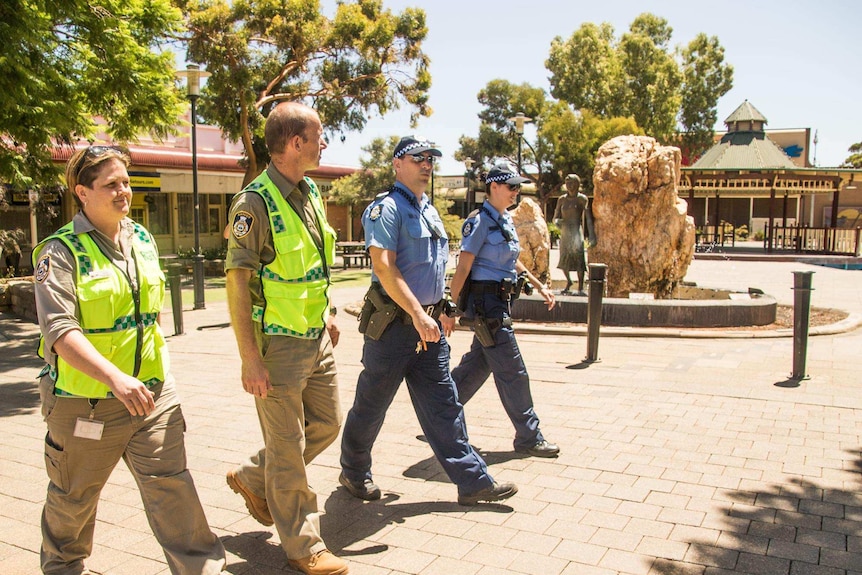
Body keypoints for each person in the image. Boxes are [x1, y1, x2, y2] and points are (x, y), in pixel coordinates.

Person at [32, 146, 226, 574]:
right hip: (87, 402)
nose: (123, 191)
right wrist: (117, 378)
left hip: (153, 394)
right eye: (110, 185)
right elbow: (60, 332)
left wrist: (148, 370)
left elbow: (148, 311)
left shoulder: (140, 236)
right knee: (73, 500)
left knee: (174, 489)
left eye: (126, 182)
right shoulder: (58, 252)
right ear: (82, 192)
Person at [339, 136, 518, 507]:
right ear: (397, 164)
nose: (425, 165)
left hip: (429, 329)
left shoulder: (430, 211)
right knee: (372, 406)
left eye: (430, 159)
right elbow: (384, 268)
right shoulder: (384, 210)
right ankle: (354, 472)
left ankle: (473, 482)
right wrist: (419, 313)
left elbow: (435, 270)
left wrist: (447, 305)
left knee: (445, 405)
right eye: (417, 158)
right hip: (393, 329)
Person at [224, 102, 347, 575]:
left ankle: (253, 478)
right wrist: (249, 358)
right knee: (289, 446)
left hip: (316, 336)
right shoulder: (253, 203)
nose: (323, 144)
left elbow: (314, 263)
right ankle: (302, 545)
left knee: (327, 424)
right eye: (319, 136)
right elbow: (236, 278)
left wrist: (330, 311)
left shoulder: (309, 190)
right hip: (275, 345)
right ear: (296, 142)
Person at [449, 163, 561, 458]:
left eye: (518, 188)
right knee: (513, 371)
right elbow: (463, 267)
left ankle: (440, 414)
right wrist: (451, 308)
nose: (515, 192)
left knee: (478, 364)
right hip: (488, 306)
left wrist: (539, 285)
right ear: (494, 187)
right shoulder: (479, 222)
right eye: (511, 186)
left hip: (500, 301)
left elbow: (512, 260)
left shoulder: (504, 219)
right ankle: (528, 436)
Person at [553, 173, 596, 295]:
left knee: (579, 259)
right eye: (567, 183)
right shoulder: (561, 199)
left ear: (577, 184)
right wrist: (557, 222)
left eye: (571, 183)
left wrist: (591, 236)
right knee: (564, 259)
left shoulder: (582, 199)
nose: (569, 186)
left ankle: (581, 287)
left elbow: (588, 218)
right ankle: (569, 282)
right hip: (565, 231)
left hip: (576, 230)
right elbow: (555, 217)